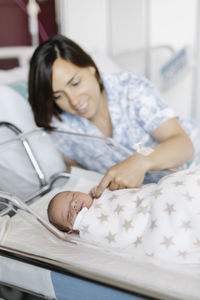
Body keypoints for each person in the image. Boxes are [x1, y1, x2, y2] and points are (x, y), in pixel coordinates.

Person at [28, 34, 200, 198]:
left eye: (75, 83)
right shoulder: (62, 128)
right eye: (58, 95)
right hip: (159, 193)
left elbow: (184, 145)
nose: (73, 101)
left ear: (91, 69)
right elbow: (78, 176)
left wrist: (141, 161)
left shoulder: (130, 89)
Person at [47, 167, 200, 263]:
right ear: (72, 230)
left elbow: (133, 193)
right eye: (68, 213)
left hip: (156, 197)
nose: (73, 204)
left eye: (73, 195)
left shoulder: (101, 194)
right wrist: (85, 224)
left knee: (178, 186)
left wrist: (105, 190)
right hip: (156, 218)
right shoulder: (92, 227)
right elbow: (118, 234)